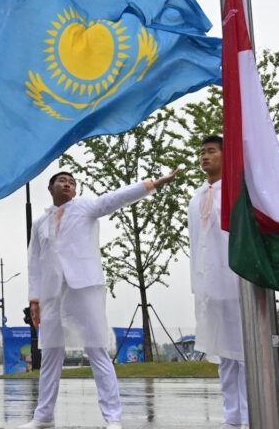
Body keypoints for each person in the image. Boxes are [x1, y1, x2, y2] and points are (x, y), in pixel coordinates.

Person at [19, 169, 179, 429]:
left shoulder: (85, 207)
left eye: (72, 182)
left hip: (84, 287)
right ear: (50, 188)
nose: (68, 185)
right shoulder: (39, 224)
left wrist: (152, 184)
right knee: (50, 354)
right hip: (51, 294)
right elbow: (34, 263)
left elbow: (115, 198)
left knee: (97, 350)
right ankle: (43, 416)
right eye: (62, 181)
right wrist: (34, 300)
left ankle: (113, 418)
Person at [187, 136, 247, 428]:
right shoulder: (197, 196)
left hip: (236, 279)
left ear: (226, 155)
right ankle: (232, 417)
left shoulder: (238, 189)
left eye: (211, 151)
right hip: (209, 283)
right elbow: (196, 242)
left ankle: (250, 415)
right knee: (224, 354)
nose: (205, 157)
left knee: (245, 353)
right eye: (202, 152)